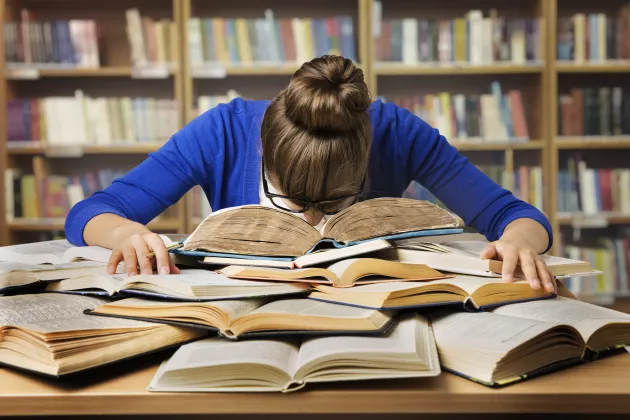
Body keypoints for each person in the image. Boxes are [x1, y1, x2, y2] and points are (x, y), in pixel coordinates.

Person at [65, 55, 555, 293]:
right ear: (265, 153)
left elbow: (513, 214)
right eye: (289, 202)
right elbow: (89, 214)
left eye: (335, 205)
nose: (313, 225)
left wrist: (519, 241)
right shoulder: (223, 132)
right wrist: (126, 232)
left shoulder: (397, 132)